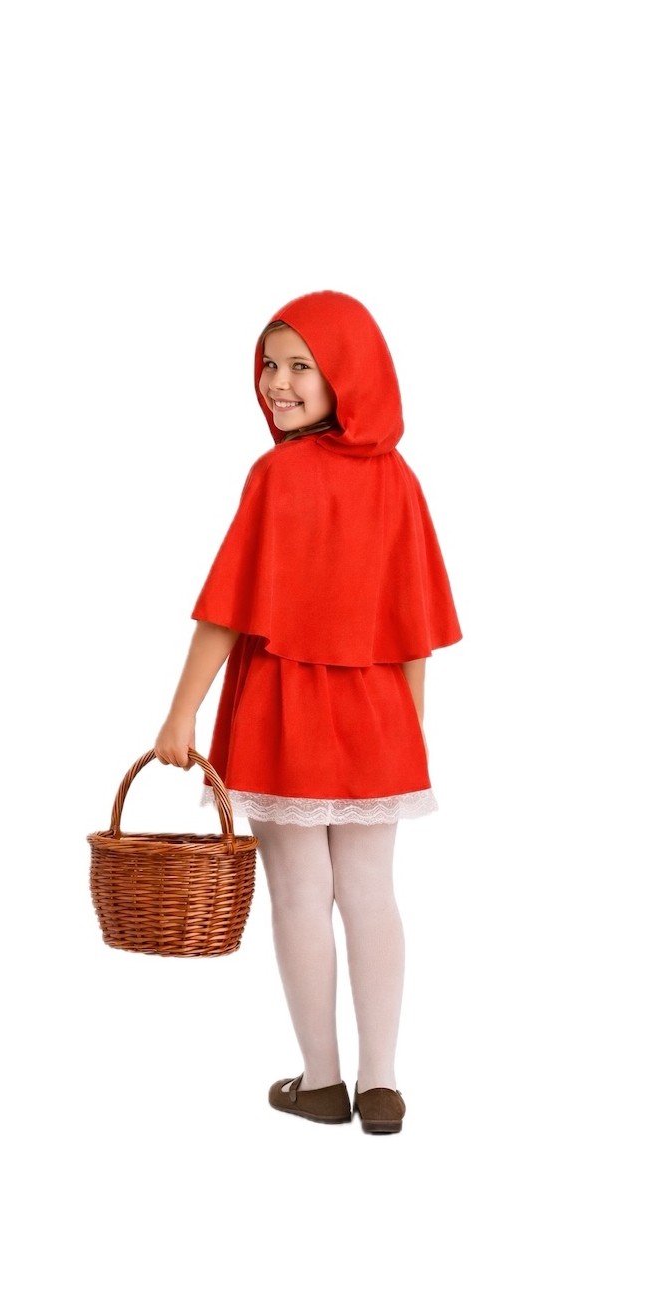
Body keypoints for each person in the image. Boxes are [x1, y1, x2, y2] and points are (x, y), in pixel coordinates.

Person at [153, 290, 461, 1134]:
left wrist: (181, 714)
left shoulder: (276, 475)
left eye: (300, 367)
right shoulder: (399, 478)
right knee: (371, 892)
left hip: (283, 710)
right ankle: (382, 1083)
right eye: (269, 363)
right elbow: (414, 630)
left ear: (346, 378)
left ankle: (322, 1081)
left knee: (298, 893)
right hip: (378, 713)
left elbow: (227, 610)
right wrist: (411, 730)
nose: (276, 383)